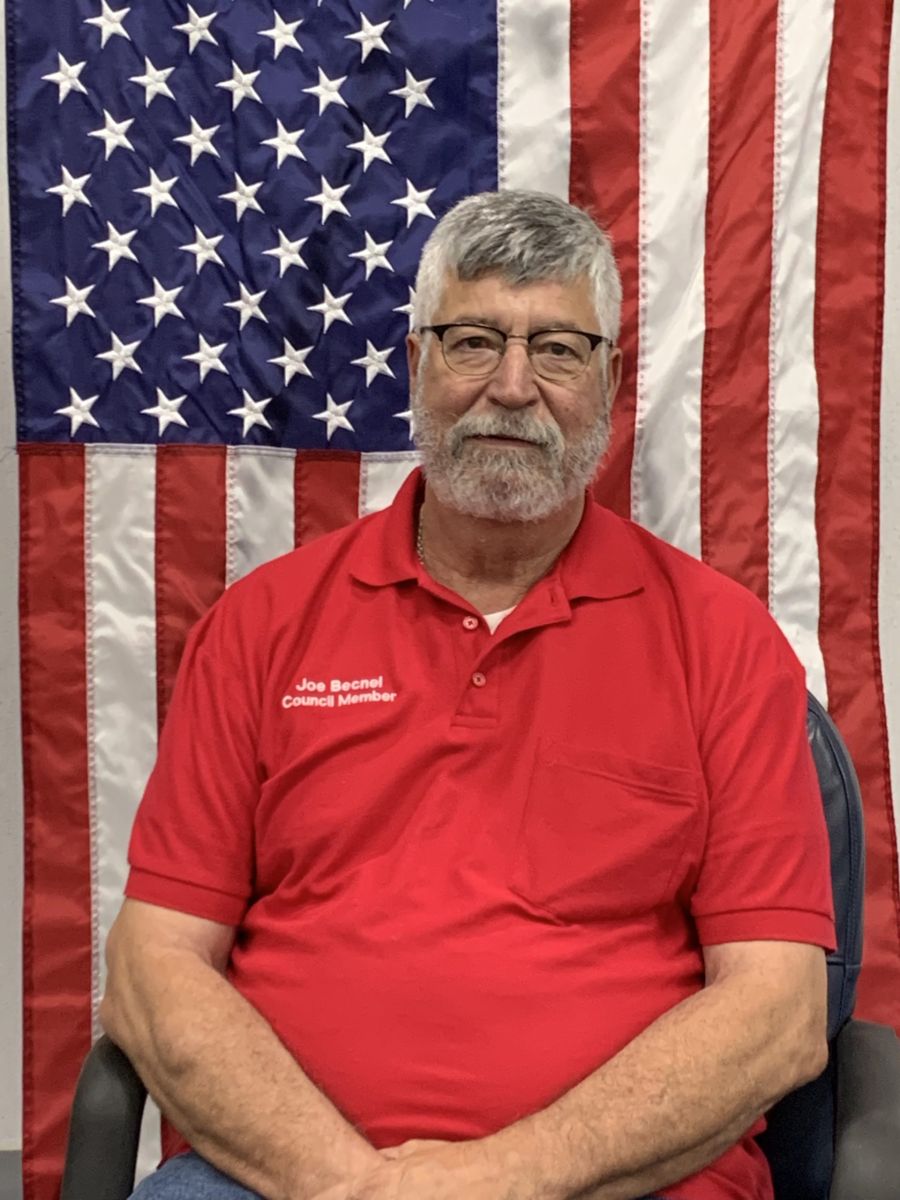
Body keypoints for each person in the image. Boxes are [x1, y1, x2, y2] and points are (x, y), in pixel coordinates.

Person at [102, 190, 835, 1200]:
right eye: (473, 340)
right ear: (414, 365)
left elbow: (779, 1009)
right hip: (282, 1181)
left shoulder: (721, 643)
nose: (513, 386)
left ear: (611, 384)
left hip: (621, 1182)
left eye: (560, 351)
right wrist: (352, 1185)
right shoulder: (262, 625)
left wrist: (504, 1177)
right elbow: (154, 969)